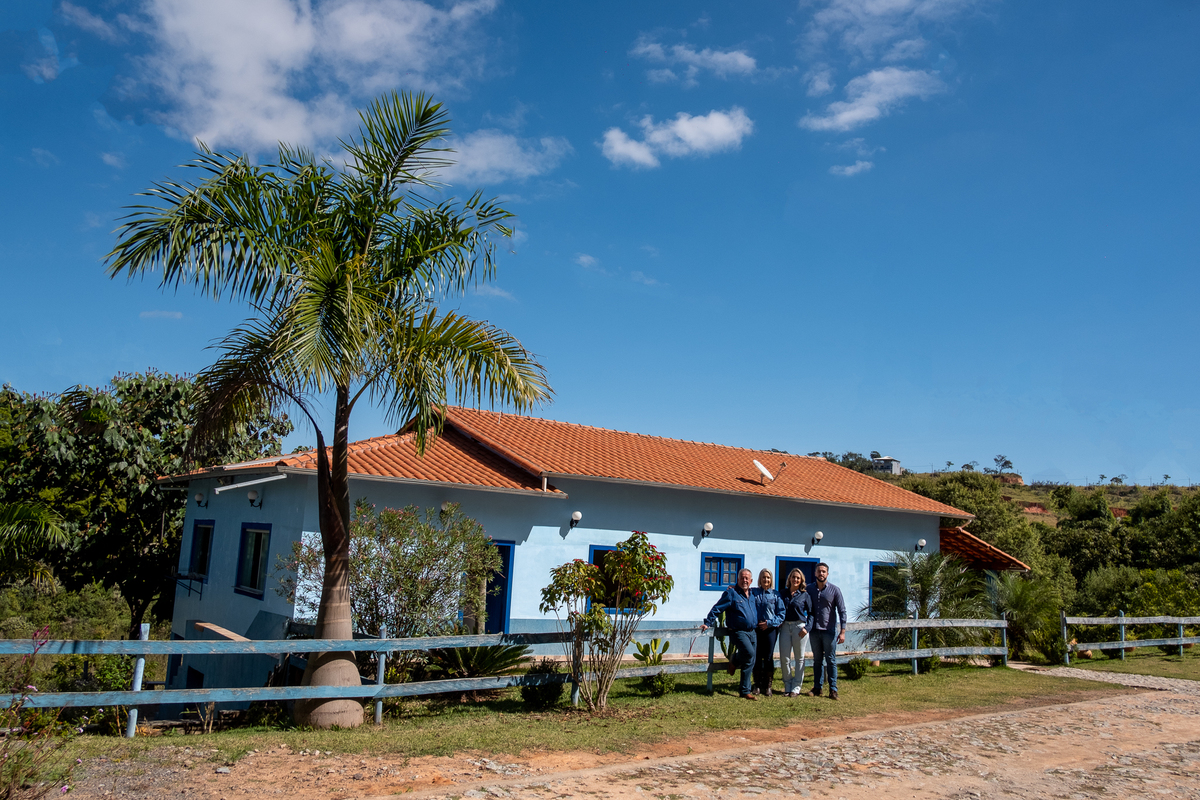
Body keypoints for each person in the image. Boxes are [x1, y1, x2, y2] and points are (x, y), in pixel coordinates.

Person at [700, 568, 758, 700]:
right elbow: (718, 608)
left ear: (751, 581)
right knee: (749, 653)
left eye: (747, 578)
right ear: (738, 579)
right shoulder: (731, 593)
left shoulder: (753, 594)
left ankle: (745, 691)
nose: (744, 580)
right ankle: (735, 659)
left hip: (752, 632)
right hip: (738, 631)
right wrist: (708, 622)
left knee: (750, 660)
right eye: (742, 578)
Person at [807, 562, 846, 700]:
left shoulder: (835, 590)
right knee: (817, 660)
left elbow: (842, 611)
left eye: (824, 571)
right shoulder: (809, 589)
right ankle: (817, 687)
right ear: (815, 573)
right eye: (819, 571)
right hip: (814, 631)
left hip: (829, 631)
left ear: (827, 574)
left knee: (831, 660)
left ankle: (833, 689)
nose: (821, 573)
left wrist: (842, 631)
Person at [778, 568, 812, 697]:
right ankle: (787, 685)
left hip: (799, 628)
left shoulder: (805, 595)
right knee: (784, 658)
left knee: (799, 658)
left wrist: (807, 628)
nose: (795, 580)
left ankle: (796, 687)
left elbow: (812, 613)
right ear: (789, 578)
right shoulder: (783, 593)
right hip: (785, 627)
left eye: (798, 578)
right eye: (793, 577)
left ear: (801, 580)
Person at [751, 568, 784, 696]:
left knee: (769, 656)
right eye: (763, 577)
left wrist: (769, 623)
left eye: (768, 577)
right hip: (757, 628)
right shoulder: (754, 593)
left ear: (771, 579)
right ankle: (757, 684)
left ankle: (768, 685)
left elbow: (781, 614)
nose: (766, 579)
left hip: (770, 629)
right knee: (757, 655)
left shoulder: (776, 595)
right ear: (760, 579)